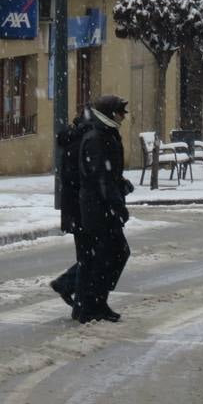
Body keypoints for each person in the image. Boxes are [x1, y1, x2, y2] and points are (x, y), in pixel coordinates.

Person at [74, 93, 135, 324]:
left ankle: (96, 302)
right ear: (111, 113)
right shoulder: (97, 137)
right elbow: (101, 178)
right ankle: (92, 304)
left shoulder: (106, 133)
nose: (124, 116)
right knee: (111, 254)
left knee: (109, 255)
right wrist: (117, 205)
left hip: (102, 208)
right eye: (121, 111)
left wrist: (121, 184)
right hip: (98, 210)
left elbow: (109, 175)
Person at [49, 106, 92, 310]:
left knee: (88, 255)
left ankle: (76, 292)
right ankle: (69, 287)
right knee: (91, 256)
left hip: (76, 210)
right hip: (82, 210)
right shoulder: (82, 142)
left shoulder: (75, 138)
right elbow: (83, 177)